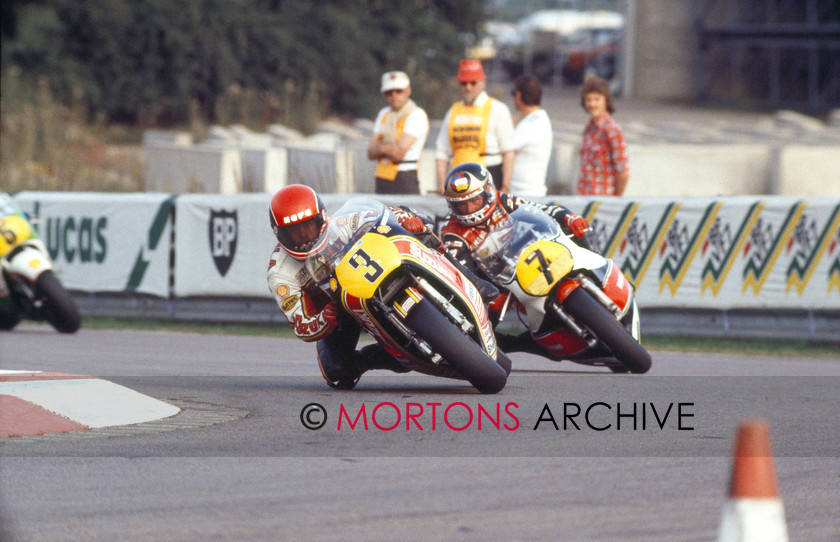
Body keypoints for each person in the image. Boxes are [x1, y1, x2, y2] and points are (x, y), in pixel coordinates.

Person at [266, 184, 495, 389]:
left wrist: (404, 217)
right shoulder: (280, 273)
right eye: (294, 231)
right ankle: (376, 357)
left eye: (308, 225)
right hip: (338, 311)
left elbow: (384, 213)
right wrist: (324, 319)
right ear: (279, 233)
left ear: (322, 217)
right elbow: (301, 325)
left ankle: (471, 280)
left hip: (375, 273)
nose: (304, 235)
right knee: (337, 373)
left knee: (417, 230)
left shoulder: (342, 224)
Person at [439, 162, 590, 354]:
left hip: (526, 258)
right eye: (461, 204)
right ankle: (524, 345)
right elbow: (462, 272)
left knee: (577, 227)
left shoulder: (503, 201)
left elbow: (541, 209)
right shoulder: (451, 231)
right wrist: (486, 293)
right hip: (492, 282)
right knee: (478, 328)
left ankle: (596, 266)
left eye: (474, 200)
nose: (469, 208)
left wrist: (568, 217)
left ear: (488, 192)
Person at [435, 59, 515, 194]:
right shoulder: (453, 111)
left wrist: (505, 187)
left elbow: (508, 152)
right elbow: (441, 152)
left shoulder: (497, 109)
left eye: (473, 83)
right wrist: (442, 182)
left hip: (489, 175)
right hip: (458, 178)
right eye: (463, 83)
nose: (468, 87)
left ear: (482, 83)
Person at [367, 71, 430, 194]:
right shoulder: (384, 113)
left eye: (398, 91)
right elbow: (370, 152)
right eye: (389, 93)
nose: (394, 96)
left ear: (408, 91)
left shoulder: (416, 114)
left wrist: (380, 148)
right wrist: (389, 149)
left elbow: (398, 153)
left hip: (404, 175)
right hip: (382, 175)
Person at [577, 74, 629, 196]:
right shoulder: (589, 129)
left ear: (606, 101)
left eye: (597, 99)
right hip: (584, 198)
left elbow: (624, 171)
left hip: (603, 200)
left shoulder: (612, 129)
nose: (592, 104)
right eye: (588, 100)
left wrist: (616, 198)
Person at [510, 75, 553, 197]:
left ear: (518, 96)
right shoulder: (537, 119)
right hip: (529, 193)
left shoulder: (531, 124)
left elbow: (504, 146)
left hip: (526, 195)